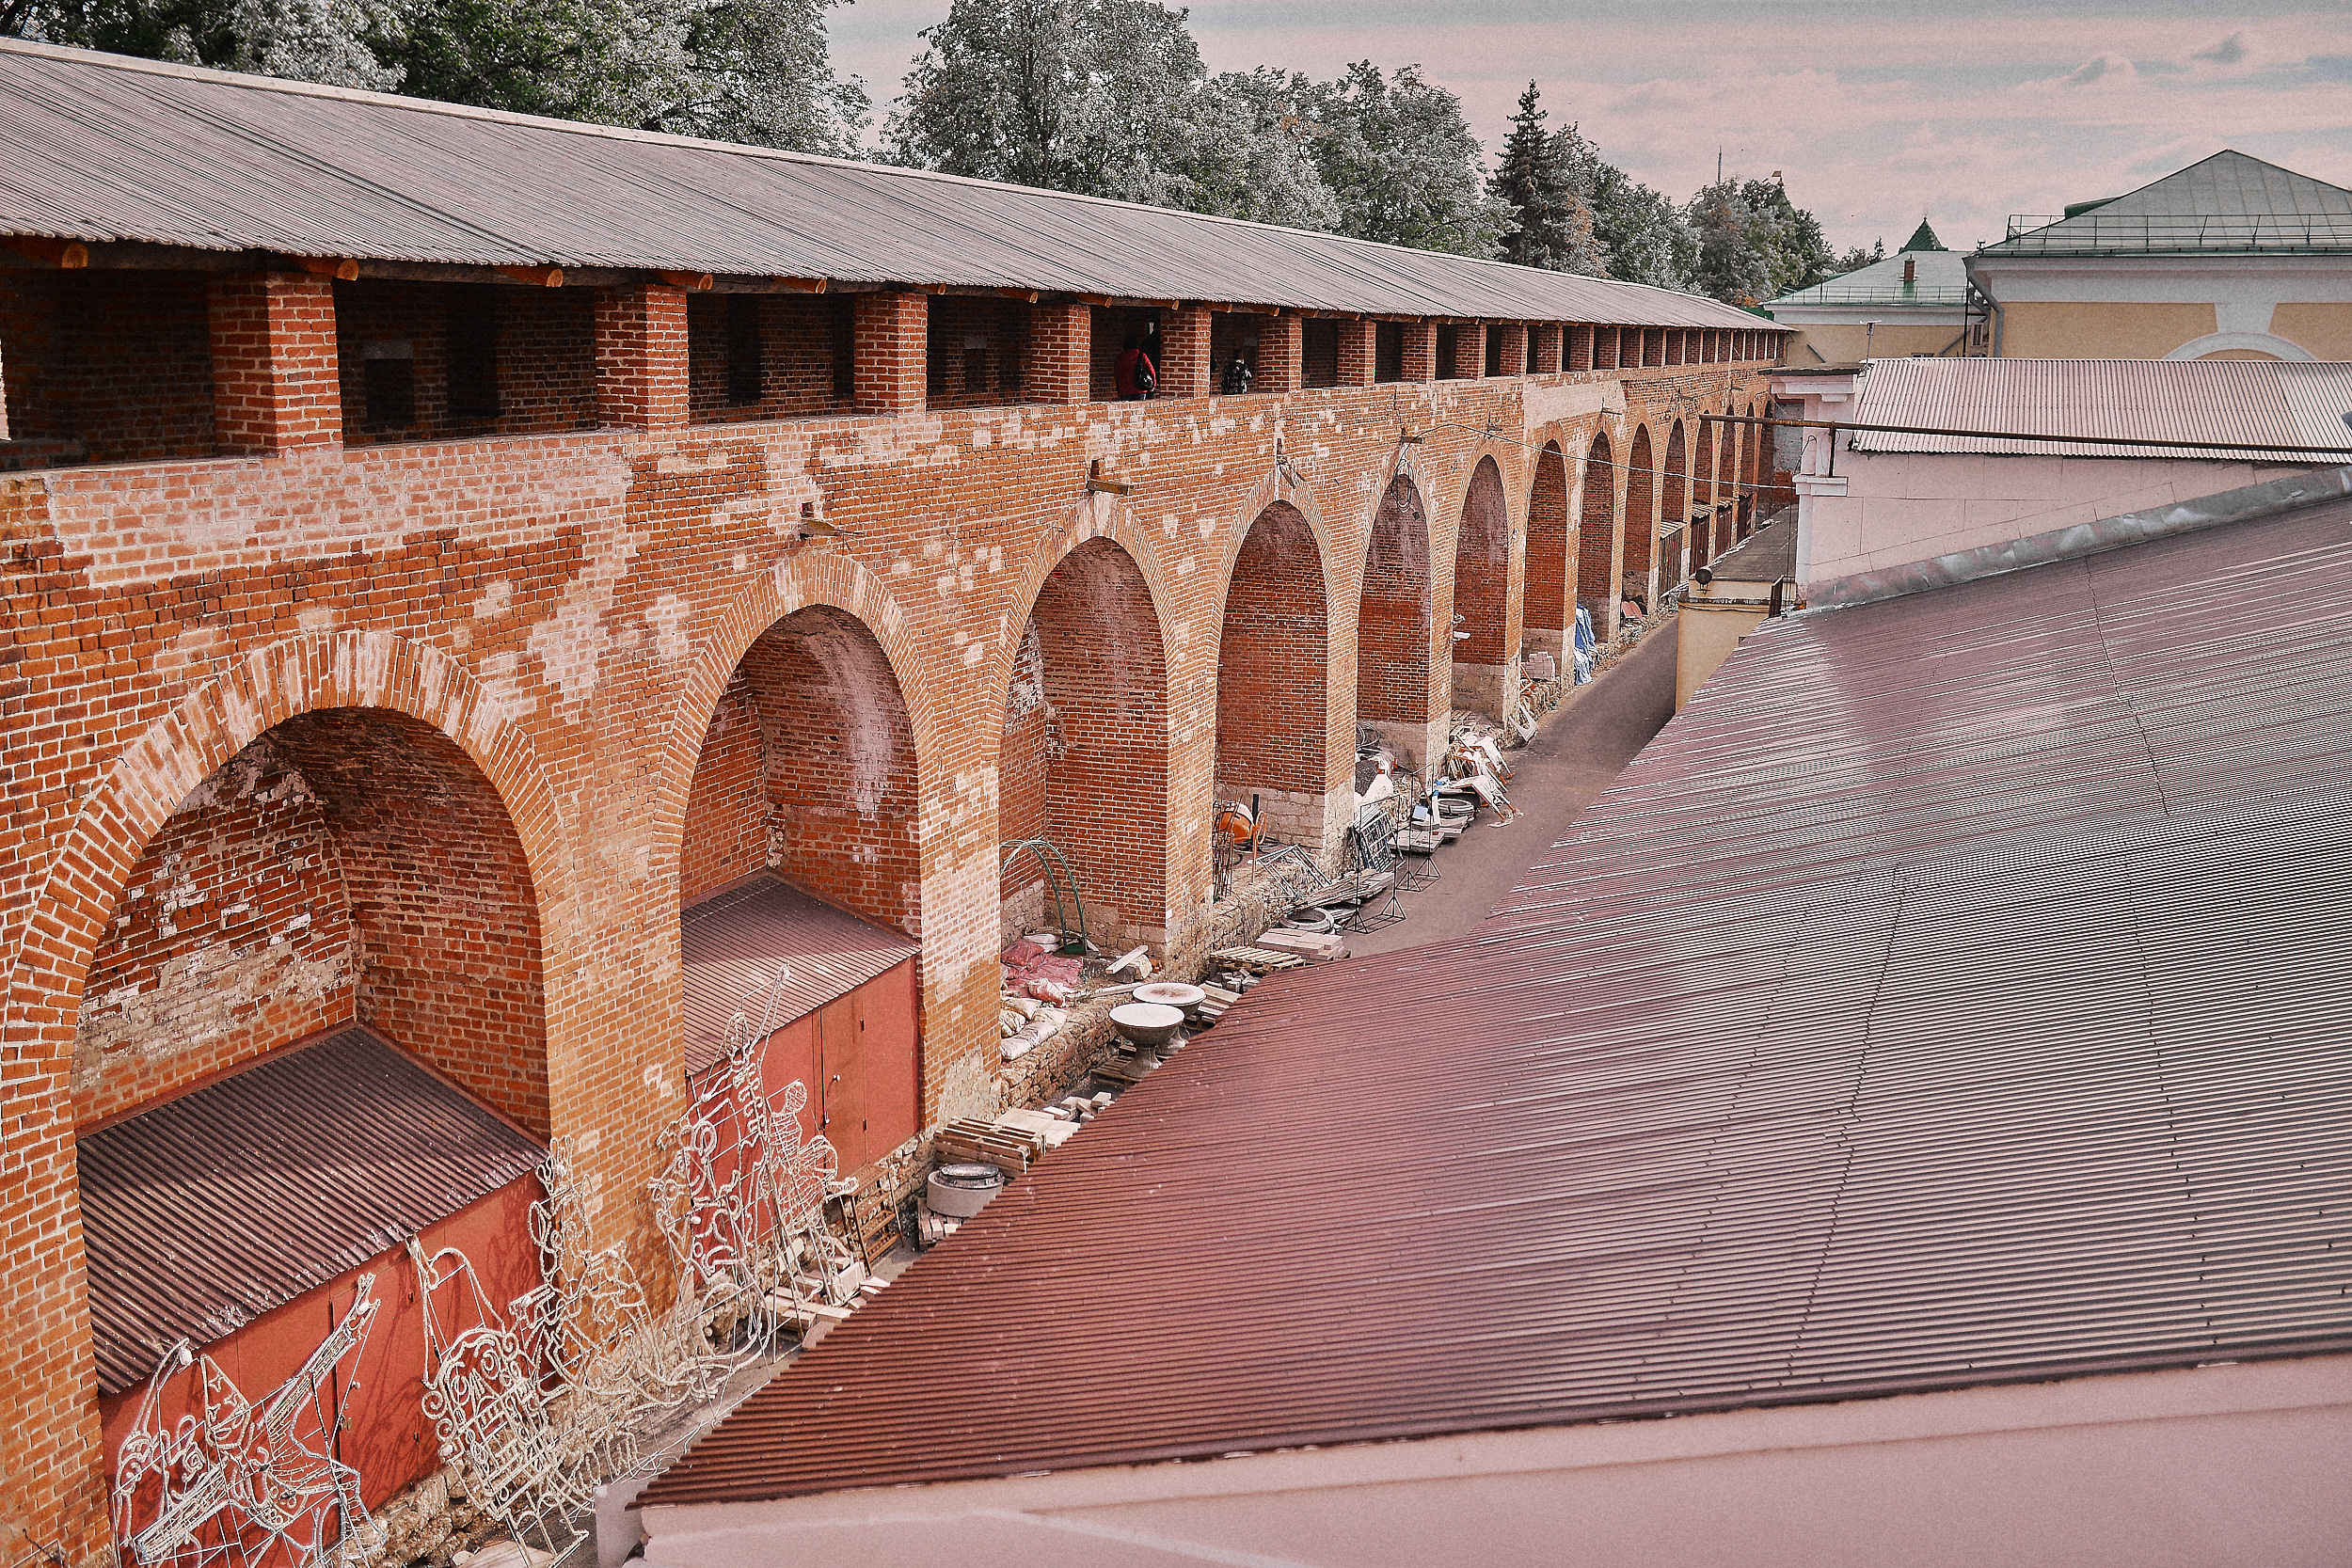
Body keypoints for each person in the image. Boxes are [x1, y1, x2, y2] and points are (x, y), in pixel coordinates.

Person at [1115, 335, 1156, 400]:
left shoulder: (1120, 358)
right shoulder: (1141, 356)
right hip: (1140, 388)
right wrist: (1153, 385)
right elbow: (1151, 371)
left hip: (1124, 390)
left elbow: (1117, 374)